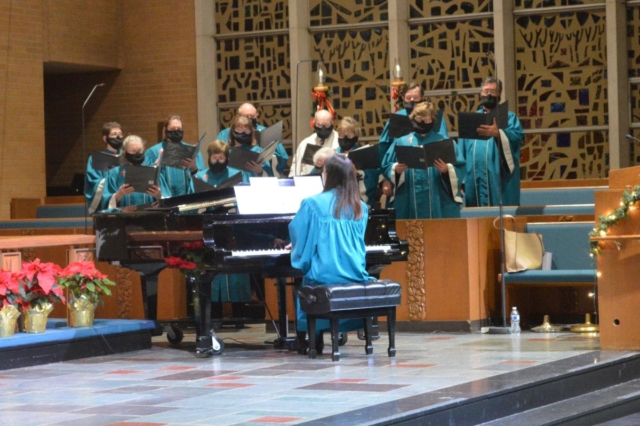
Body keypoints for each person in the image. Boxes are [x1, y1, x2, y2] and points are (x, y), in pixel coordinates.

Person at [288, 155, 373, 349]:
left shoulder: (312, 203)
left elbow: (301, 237)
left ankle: (310, 338)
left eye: (323, 171)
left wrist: (295, 248)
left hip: (326, 274)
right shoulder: (362, 207)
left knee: (308, 278)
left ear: (330, 175)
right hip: (354, 273)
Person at [382, 101, 464, 219]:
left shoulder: (444, 142)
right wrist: (395, 169)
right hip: (408, 200)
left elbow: (460, 167)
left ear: (433, 120)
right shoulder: (402, 142)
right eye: (419, 120)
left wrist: (447, 170)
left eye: (426, 120)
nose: (422, 123)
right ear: (412, 119)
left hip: (438, 200)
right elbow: (386, 165)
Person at [458, 77, 524, 207]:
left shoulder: (509, 117)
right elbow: (462, 152)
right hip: (475, 181)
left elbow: (517, 139)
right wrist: (463, 180)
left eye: (493, 91)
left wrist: (498, 134)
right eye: (485, 91)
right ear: (480, 94)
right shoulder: (471, 119)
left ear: (499, 94)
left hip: (500, 181)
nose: (488, 94)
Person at [377, 82, 428, 202]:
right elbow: (383, 149)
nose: (411, 100)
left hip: (427, 176)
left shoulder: (431, 118)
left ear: (423, 99)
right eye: (408, 97)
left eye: (415, 98)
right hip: (400, 176)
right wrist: (385, 178)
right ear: (402, 98)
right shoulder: (396, 119)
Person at [216, 102, 289, 177]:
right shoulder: (225, 133)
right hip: (231, 176)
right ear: (238, 117)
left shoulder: (267, 132)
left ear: (257, 115)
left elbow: (282, 157)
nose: (250, 119)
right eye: (247, 116)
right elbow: (216, 155)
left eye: (253, 116)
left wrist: (265, 159)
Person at [101, 135, 170, 210]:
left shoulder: (153, 172)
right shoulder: (114, 173)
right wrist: (120, 194)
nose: (137, 154)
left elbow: (168, 200)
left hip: (150, 217)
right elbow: (105, 202)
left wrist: (158, 195)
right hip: (123, 218)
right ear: (125, 152)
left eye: (140, 151)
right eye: (133, 151)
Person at [144, 115, 206, 196]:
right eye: (172, 129)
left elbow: (203, 181)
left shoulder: (191, 151)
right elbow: (146, 181)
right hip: (163, 202)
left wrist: (194, 168)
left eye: (179, 129)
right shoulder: (153, 152)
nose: (176, 132)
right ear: (165, 130)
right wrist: (155, 168)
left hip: (187, 202)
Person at [336, 116, 381, 208]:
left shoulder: (366, 154)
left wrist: (358, 173)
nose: (344, 138)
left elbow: (373, 179)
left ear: (356, 137)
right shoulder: (334, 154)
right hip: (338, 204)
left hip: (362, 204)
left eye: (348, 136)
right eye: (341, 135)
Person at [85, 122, 123, 214]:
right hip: (106, 205)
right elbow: (94, 182)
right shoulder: (96, 159)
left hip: (126, 201)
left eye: (120, 134)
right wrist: (113, 181)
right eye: (114, 134)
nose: (118, 137)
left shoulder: (127, 156)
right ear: (105, 138)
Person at [289, 109, 338, 177]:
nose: (323, 128)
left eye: (327, 125)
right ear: (314, 122)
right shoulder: (306, 143)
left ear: (332, 122)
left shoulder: (338, 141)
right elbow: (295, 167)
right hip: (308, 183)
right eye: (319, 125)